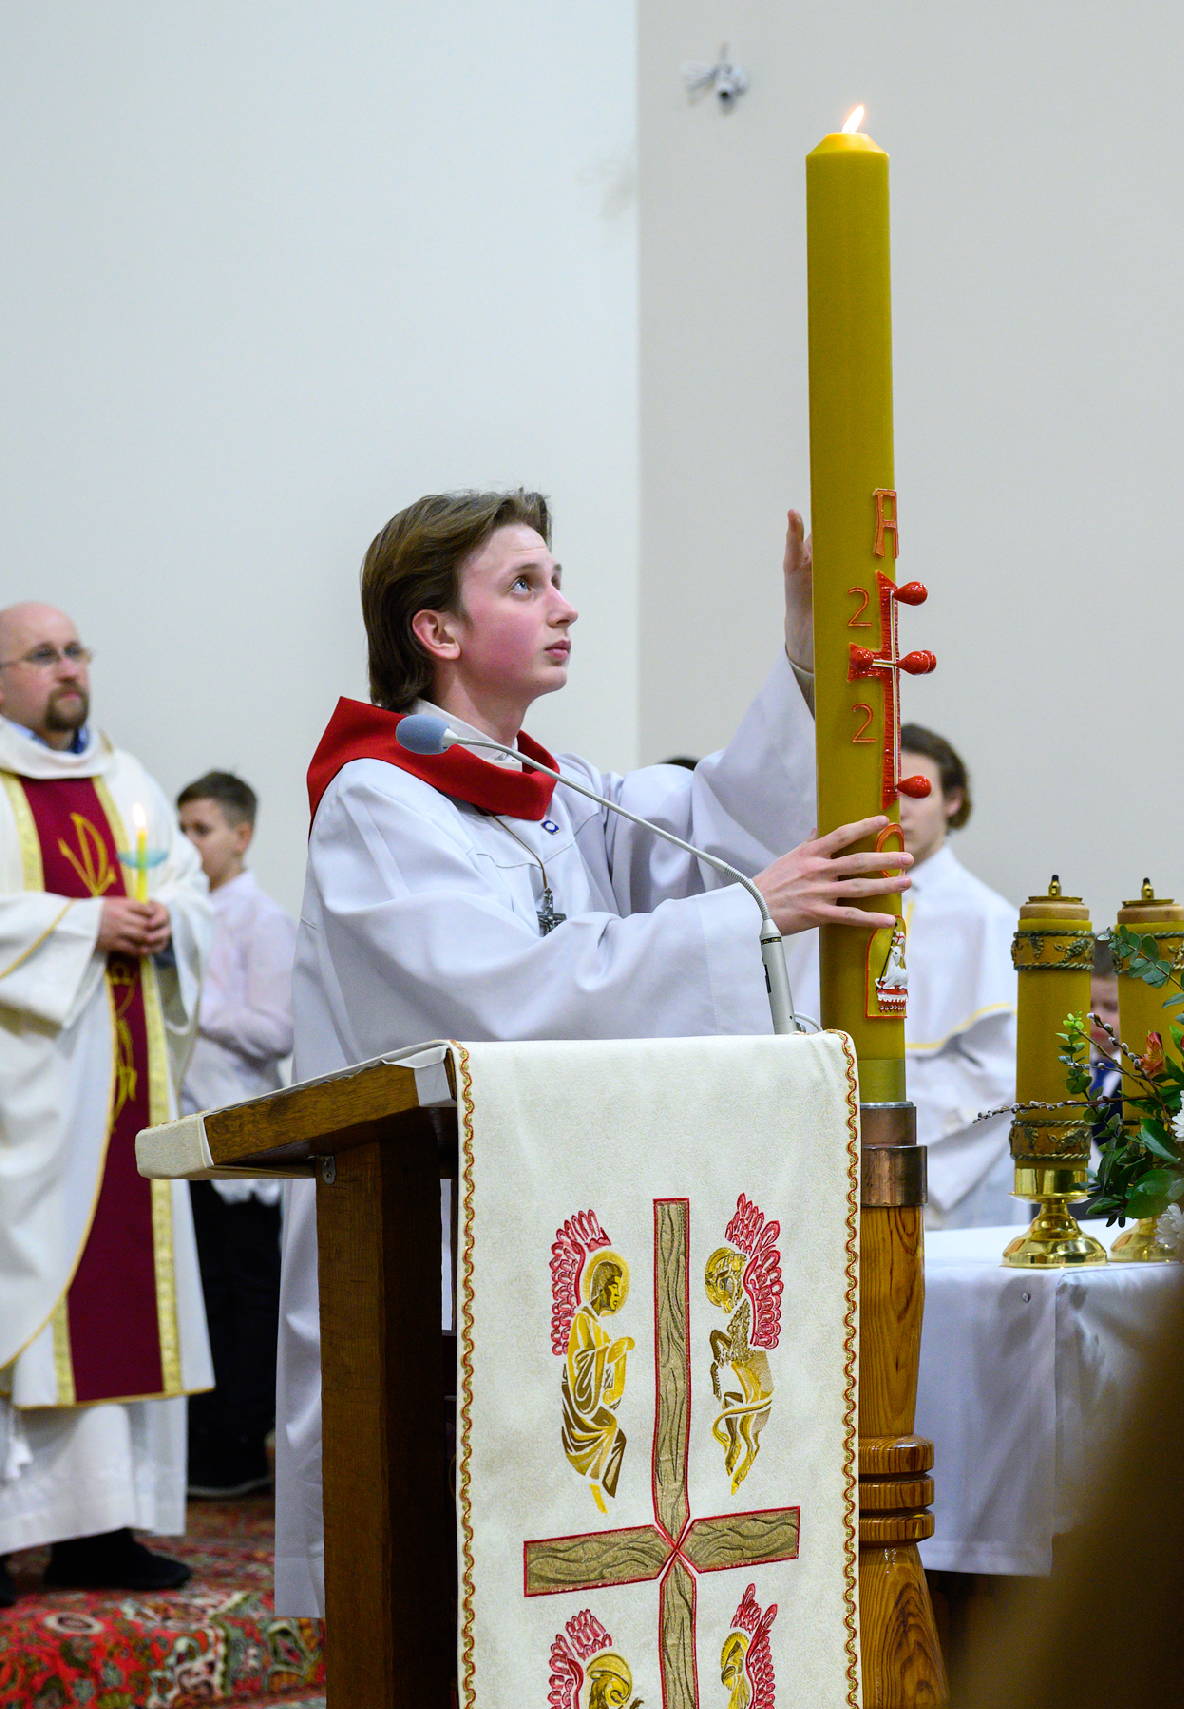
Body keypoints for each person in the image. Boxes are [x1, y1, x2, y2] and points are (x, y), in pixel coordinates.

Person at [277, 489, 913, 1613]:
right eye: (525, 585)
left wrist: (808, 658)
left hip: (568, 1219)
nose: (565, 606)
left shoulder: (556, 791)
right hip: (429, 1247)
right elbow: (499, 1001)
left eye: (557, 579)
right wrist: (749, 917)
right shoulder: (382, 800)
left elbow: (718, 829)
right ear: (437, 629)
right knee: (444, 1592)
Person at [0, 602, 213, 1604]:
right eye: (42, 655)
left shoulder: (129, 783)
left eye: (75, 651)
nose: (68, 669)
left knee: (119, 1293)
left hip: (128, 1083)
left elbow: (191, 885)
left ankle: (97, 1530)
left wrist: (172, 920)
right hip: (27, 1099)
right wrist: (85, 924)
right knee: (24, 1296)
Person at [177, 770, 294, 1498]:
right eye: (181, 829)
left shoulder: (262, 919)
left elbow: (276, 1030)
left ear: (241, 836)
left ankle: (241, 1444)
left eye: (202, 829)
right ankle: (201, 1440)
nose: (188, 843)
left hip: (240, 1133)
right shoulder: (182, 913)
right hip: (184, 1128)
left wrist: (195, 1005)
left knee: (243, 1294)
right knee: (201, 1292)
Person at [898, 724, 1018, 1227]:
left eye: (916, 791)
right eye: (885, 792)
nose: (898, 808)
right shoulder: (830, 906)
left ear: (952, 801)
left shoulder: (985, 916)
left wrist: (885, 1131)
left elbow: (1000, 1069)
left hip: (945, 1168)